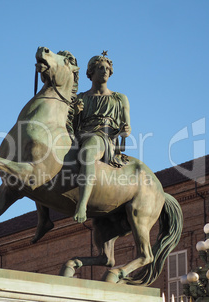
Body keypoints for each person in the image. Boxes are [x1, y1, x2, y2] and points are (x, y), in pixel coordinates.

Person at [73, 53, 131, 223]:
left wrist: (125, 130)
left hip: (103, 137)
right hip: (79, 135)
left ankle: (82, 204)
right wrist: (75, 114)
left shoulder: (119, 98)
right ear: (91, 72)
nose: (105, 71)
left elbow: (126, 128)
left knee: (88, 153)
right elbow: (71, 124)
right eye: (100, 67)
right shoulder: (81, 98)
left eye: (107, 68)